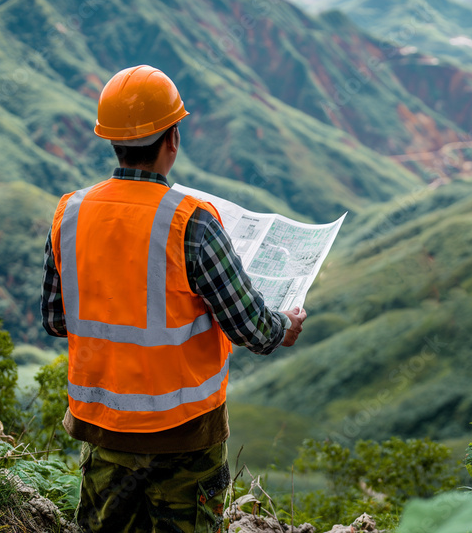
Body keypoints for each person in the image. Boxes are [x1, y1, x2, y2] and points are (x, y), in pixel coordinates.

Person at [41, 64, 307, 533]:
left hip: (104, 429)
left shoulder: (70, 213)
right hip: (185, 436)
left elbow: (56, 318)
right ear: (173, 139)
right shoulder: (192, 223)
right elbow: (254, 330)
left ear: (112, 140)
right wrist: (285, 325)